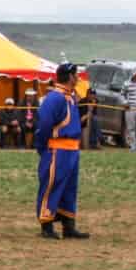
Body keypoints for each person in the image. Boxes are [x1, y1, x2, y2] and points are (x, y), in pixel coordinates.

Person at [35, 63, 90, 239]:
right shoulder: (54, 98)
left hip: (72, 150)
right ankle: (46, 225)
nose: (78, 78)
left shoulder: (70, 97)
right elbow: (44, 126)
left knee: (69, 188)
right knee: (52, 185)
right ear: (69, 77)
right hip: (57, 149)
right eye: (76, 75)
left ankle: (69, 226)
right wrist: (43, 147)